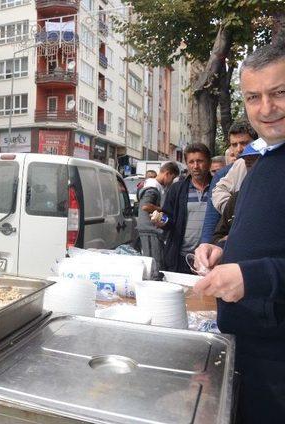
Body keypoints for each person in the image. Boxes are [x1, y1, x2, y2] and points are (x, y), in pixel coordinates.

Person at [194, 42, 285, 423]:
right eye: (253, 97)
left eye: (279, 92)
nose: (265, 108)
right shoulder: (266, 159)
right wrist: (223, 250)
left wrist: (252, 276)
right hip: (250, 347)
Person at [156, 143, 212, 273]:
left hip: (208, 259)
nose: (195, 166)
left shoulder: (218, 188)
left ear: (209, 162)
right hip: (180, 257)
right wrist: (161, 221)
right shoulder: (177, 189)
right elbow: (168, 219)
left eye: (200, 161)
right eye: (191, 162)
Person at [199, 121, 257, 244]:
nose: (239, 149)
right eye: (234, 144)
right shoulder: (238, 165)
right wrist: (235, 211)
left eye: (244, 143)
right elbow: (218, 192)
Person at [211, 144, 261, 245]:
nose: (252, 169)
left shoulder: (276, 197)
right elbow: (217, 237)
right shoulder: (236, 199)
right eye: (248, 164)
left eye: (257, 163)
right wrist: (223, 241)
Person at [136, 161, 180, 270]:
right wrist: (165, 210)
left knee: (155, 261)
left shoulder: (154, 186)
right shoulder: (153, 188)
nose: (171, 182)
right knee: (154, 263)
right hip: (150, 229)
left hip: (151, 229)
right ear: (167, 174)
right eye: (173, 178)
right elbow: (145, 206)